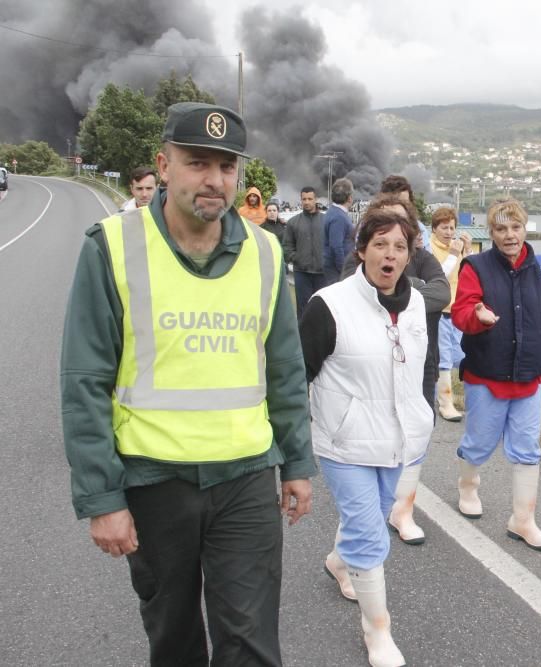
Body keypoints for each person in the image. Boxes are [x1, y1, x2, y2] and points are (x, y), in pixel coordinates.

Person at [60, 102, 315, 666]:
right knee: (173, 639)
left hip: (246, 477)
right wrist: (102, 497)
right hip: (154, 481)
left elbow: (284, 369)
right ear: (164, 165)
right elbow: (85, 381)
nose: (214, 180)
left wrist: (296, 462)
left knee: (250, 641)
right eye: (198, 163)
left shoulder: (266, 253)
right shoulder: (111, 247)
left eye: (227, 168)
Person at [299, 207, 434, 667]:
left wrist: (424, 415)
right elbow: (300, 372)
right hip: (345, 443)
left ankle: (340, 562)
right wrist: (291, 446)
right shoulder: (329, 304)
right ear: (361, 251)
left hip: (398, 439)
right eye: (380, 244)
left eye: (400, 246)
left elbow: (418, 368)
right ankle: (379, 633)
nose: (390, 255)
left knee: (375, 520)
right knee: (369, 535)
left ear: (410, 254)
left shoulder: (415, 301)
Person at [451, 199, 541, 551]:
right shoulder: (475, 267)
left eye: (515, 227)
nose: (509, 235)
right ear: (491, 233)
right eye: (501, 229)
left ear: (524, 229)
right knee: (478, 443)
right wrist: (478, 315)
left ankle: (523, 520)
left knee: (527, 449)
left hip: (530, 376)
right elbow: (461, 312)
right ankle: (468, 486)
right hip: (486, 374)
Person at [342, 195, 450, 546]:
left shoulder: (424, 259)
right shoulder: (355, 264)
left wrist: (407, 289)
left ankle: (403, 510)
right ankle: (355, 546)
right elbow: (350, 298)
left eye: (401, 231)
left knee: (416, 436)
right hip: (370, 371)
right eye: (383, 230)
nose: (392, 248)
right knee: (376, 447)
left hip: (419, 365)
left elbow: (441, 294)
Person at [428, 206, 473, 421]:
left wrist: (469, 251)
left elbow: (470, 273)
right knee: (444, 359)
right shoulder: (430, 248)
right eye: (443, 227)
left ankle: (446, 396)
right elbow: (439, 276)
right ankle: (446, 404)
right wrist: (455, 254)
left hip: (457, 311)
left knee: (459, 356)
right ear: (434, 229)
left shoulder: (457, 248)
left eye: (452, 228)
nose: (448, 232)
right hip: (440, 312)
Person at [283, 186, 327, 314]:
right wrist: (298, 259)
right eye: (304, 199)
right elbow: (286, 247)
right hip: (302, 273)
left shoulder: (326, 221)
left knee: (322, 309)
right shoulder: (292, 223)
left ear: (315, 199)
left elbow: (332, 245)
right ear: (301, 200)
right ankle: (302, 334)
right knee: (303, 310)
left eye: (310, 199)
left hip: (322, 274)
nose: (307, 202)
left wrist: (326, 261)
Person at [380, 174, 431, 247]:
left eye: (405, 203)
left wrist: (418, 252)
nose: (402, 207)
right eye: (397, 202)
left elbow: (428, 255)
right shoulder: (369, 226)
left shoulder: (419, 228)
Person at [322, 177, 355, 284]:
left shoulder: (334, 212)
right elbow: (336, 246)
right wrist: (344, 269)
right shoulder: (338, 217)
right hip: (337, 272)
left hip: (334, 269)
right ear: (349, 198)